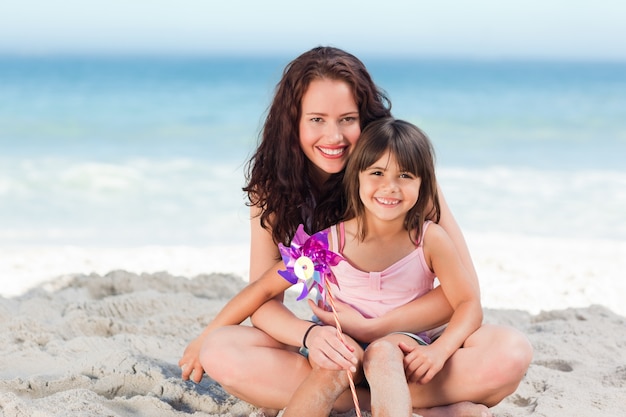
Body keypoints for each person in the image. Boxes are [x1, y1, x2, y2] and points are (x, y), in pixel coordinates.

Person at [178, 46, 532, 416]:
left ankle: (362, 402)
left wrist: (376, 326)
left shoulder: (398, 181)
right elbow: (265, 297)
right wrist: (311, 335)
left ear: (365, 119)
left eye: (347, 119)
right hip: (333, 350)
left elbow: (465, 295)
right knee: (222, 350)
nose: (334, 136)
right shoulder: (274, 191)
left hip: (407, 347)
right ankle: (405, 407)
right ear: (293, 121)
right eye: (317, 119)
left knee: (509, 353)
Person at [185, 117, 485, 417]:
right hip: (340, 341)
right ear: (356, 179)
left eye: (405, 175)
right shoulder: (327, 242)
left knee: (383, 354)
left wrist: (440, 350)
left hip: (401, 341)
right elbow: (264, 288)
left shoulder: (430, 238)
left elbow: (468, 302)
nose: (390, 187)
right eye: (377, 172)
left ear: (425, 184)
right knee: (335, 362)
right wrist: (206, 336)